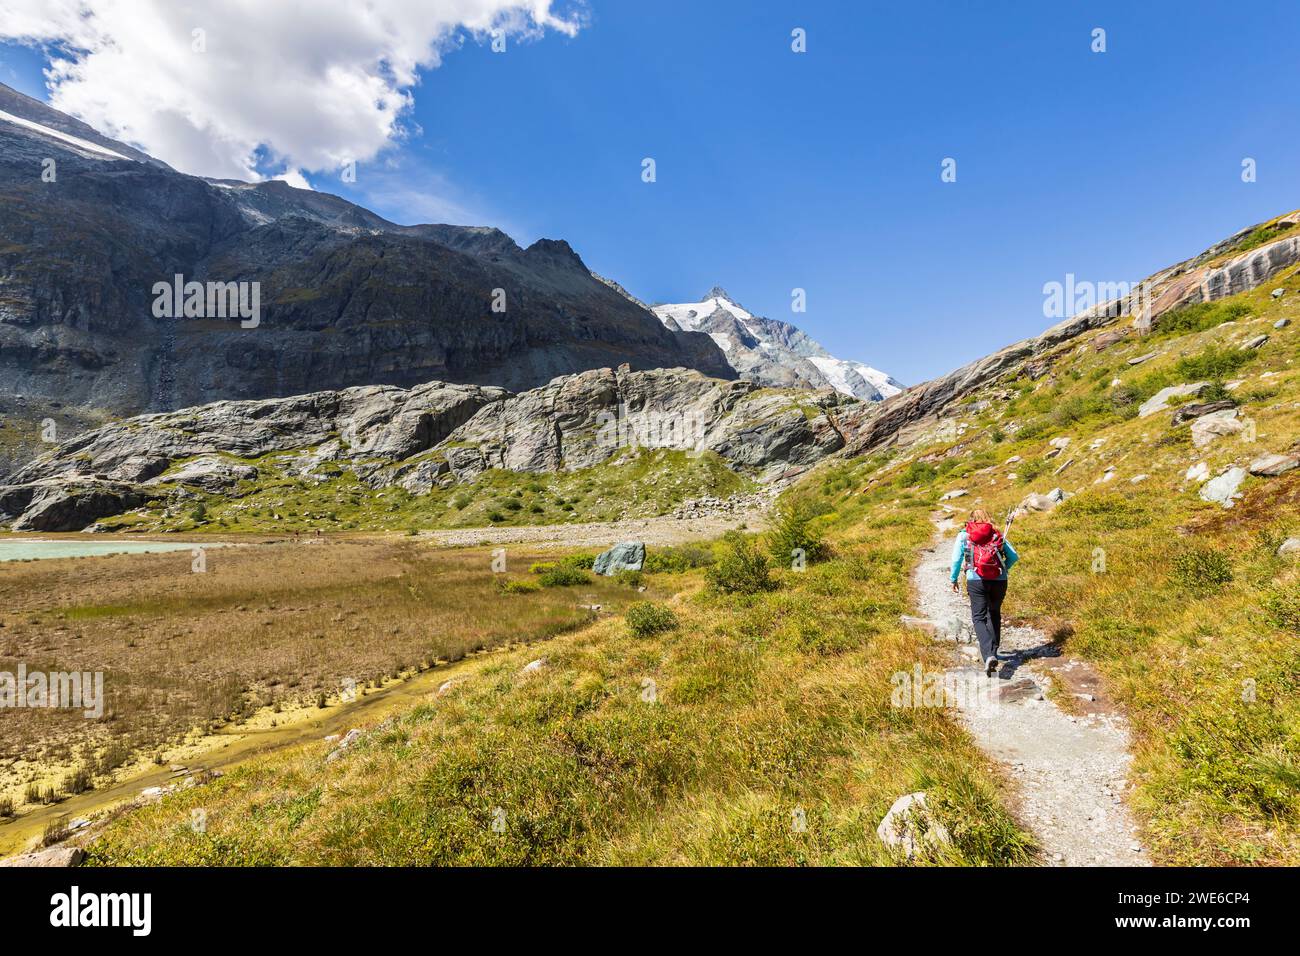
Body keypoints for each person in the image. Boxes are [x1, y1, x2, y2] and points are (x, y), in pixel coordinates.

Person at [949, 508, 1019, 676]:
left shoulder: (964, 535)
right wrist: (1004, 569)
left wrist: (953, 579)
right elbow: (1014, 556)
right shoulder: (996, 534)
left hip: (975, 579)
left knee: (979, 617)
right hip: (999, 580)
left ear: (971, 519)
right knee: (994, 614)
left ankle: (988, 654)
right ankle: (993, 653)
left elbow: (956, 559)